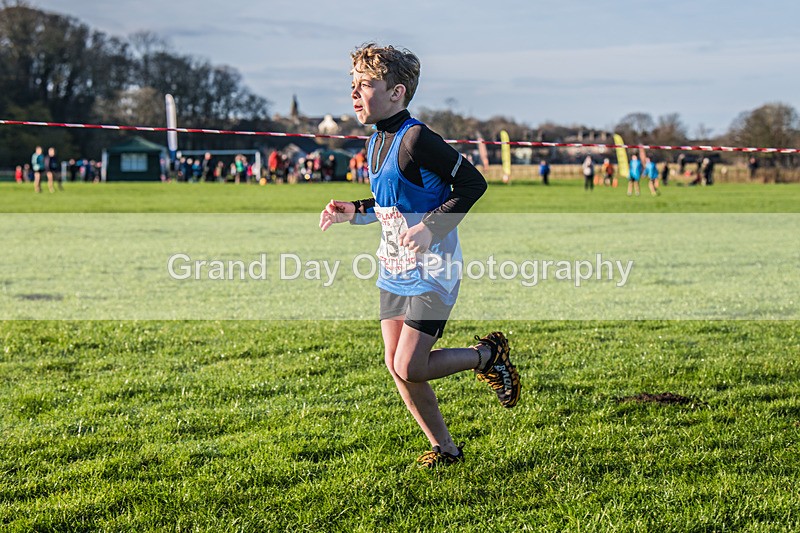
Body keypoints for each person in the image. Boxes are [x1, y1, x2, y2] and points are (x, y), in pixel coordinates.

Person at [319, 43, 520, 468]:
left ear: (397, 92)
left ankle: (488, 356)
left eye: (366, 84)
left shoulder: (416, 138)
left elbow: (473, 185)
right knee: (396, 367)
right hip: (393, 269)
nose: (355, 94)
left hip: (433, 270)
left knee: (410, 365)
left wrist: (431, 227)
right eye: (352, 85)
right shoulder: (377, 140)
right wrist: (352, 211)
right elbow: (388, 202)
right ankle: (445, 450)